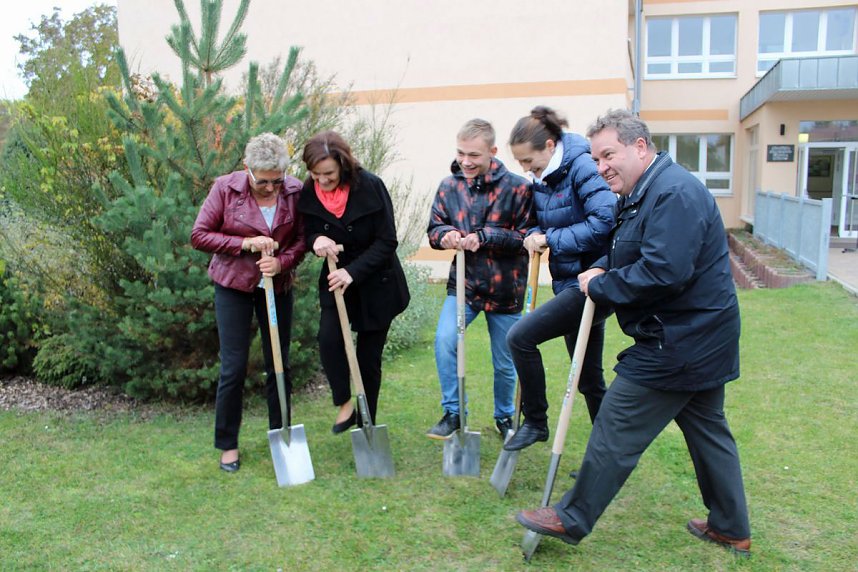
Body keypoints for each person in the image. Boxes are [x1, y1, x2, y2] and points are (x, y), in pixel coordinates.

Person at [516, 109, 751, 557]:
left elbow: (665, 270)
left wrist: (601, 284)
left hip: (680, 341)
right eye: (596, 157)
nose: (601, 166)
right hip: (699, 337)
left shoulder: (674, 193)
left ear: (639, 147)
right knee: (708, 432)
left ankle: (573, 516)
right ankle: (731, 526)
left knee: (616, 424)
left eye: (609, 154)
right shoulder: (645, 190)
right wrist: (605, 264)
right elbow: (633, 247)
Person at [502, 106, 616, 452]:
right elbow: (541, 222)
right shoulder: (544, 178)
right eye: (520, 162)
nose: (524, 169)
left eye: (528, 160)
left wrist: (550, 239)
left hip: (594, 281)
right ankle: (610, 450)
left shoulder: (582, 167)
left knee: (520, 337)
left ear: (550, 146)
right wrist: (534, 234)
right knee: (587, 377)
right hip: (568, 282)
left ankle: (536, 421)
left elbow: (605, 219)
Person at [191, 132, 306, 473]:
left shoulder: (295, 191)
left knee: (278, 363)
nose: (271, 188)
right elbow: (199, 235)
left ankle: (281, 434)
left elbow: (302, 239)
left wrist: (282, 263)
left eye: (277, 180)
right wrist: (246, 245)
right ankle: (228, 444)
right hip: (233, 285)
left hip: (277, 285)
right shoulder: (226, 189)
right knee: (234, 366)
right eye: (263, 181)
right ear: (247, 169)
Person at [426, 118, 534, 439]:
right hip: (464, 286)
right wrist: (445, 235)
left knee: (504, 362)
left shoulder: (518, 188)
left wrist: (485, 236)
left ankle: (504, 418)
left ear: (493, 152)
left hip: (506, 289)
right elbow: (434, 228)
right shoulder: (449, 186)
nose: (466, 161)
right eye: (461, 153)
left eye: (474, 155)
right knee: (445, 341)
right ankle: (454, 412)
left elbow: (526, 237)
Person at [297, 130, 409, 434]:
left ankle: (366, 423)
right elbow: (306, 232)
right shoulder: (309, 192)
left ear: (343, 165)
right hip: (336, 280)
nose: (322, 180)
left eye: (329, 173)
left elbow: (387, 241)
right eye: (316, 174)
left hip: (377, 281)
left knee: (367, 358)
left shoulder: (370, 186)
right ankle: (344, 403)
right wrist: (316, 239)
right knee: (329, 339)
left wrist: (353, 271)